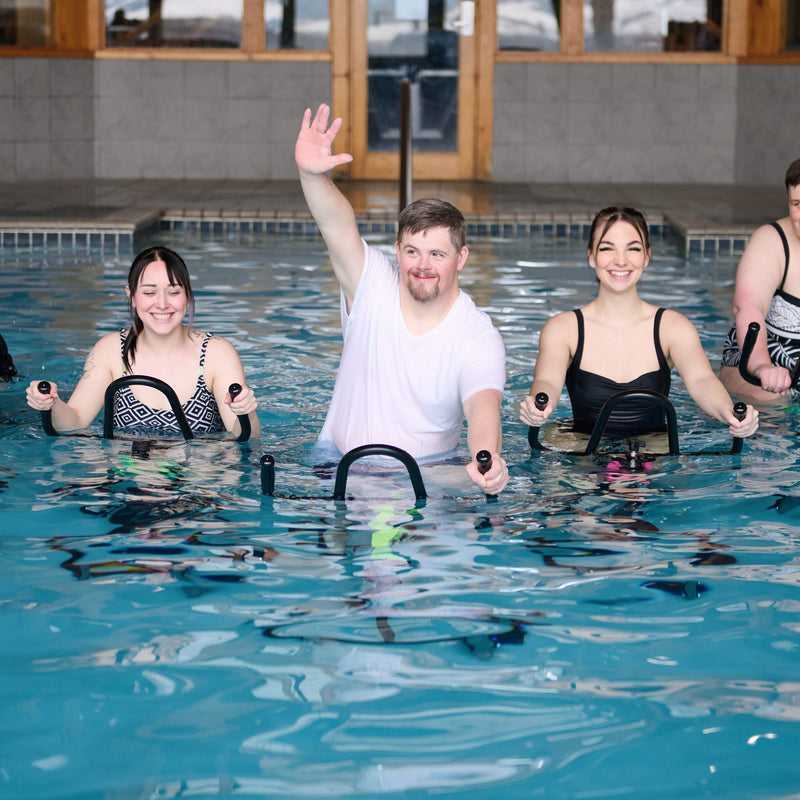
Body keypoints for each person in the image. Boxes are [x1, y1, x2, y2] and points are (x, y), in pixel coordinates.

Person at [295, 103, 508, 494]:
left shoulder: (476, 336)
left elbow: (483, 405)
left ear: (461, 258)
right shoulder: (372, 285)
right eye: (412, 251)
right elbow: (337, 227)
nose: (422, 265)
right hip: (335, 473)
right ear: (397, 250)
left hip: (424, 483)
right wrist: (313, 178)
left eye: (437, 254)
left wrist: (487, 460)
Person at [520, 206, 759, 440]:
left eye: (633, 249)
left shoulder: (672, 327)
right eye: (607, 248)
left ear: (647, 256)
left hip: (654, 453)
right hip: (583, 454)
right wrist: (539, 406)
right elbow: (547, 381)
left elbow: (701, 380)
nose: (621, 261)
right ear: (591, 256)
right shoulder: (564, 329)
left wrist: (729, 412)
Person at [26, 245, 260, 440]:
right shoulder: (110, 350)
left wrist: (245, 412)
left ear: (187, 295)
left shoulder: (216, 354)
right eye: (149, 293)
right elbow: (74, 422)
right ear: (132, 296)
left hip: (195, 483)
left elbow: (243, 438)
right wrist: (51, 404)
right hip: (127, 478)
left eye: (174, 292)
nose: (162, 304)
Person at [720, 158, 800, 402]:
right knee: (774, 403)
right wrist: (762, 367)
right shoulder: (771, 241)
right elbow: (748, 306)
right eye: (797, 204)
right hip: (756, 366)